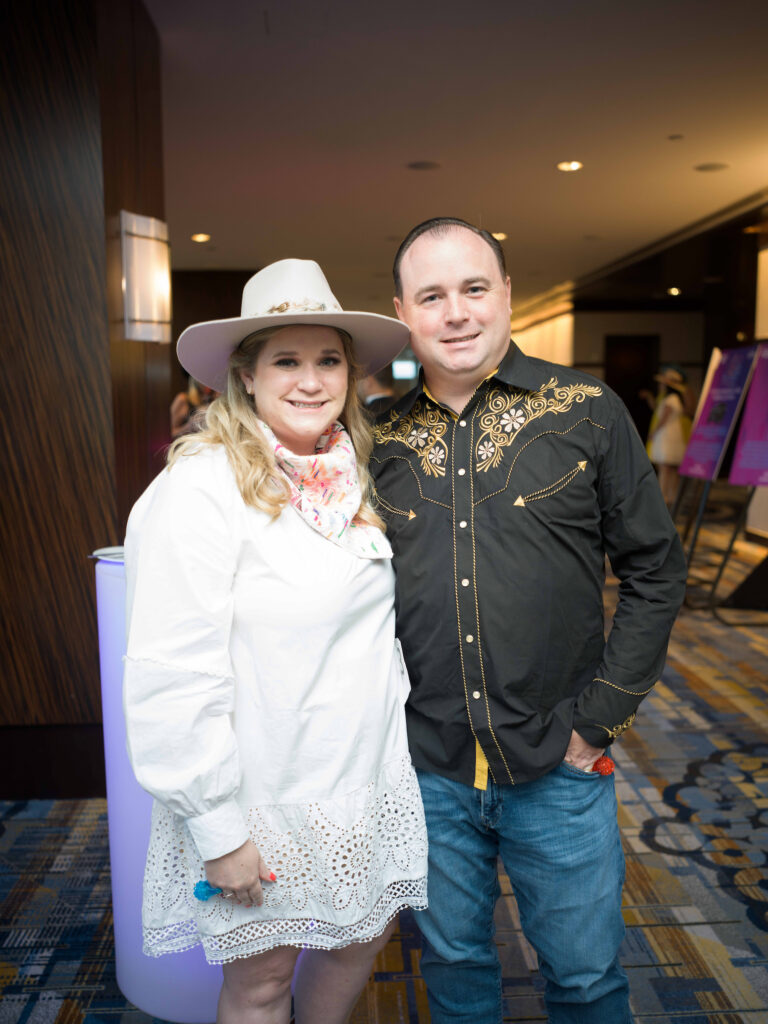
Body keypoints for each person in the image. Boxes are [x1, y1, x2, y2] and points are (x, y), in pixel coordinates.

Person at [370, 217, 688, 1024]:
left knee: (584, 981)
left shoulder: (586, 409)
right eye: (433, 295)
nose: (457, 313)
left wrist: (599, 722)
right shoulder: (375, 438)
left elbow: (655, 569)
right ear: (403, 310)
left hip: (561, 764)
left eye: (474, 288)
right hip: (427, 767)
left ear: (506, 294)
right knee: (455, 971)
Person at [123, 258, 428, 1024]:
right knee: (262, 982)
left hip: (359, 780)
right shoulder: (198, 489)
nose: (310, 380)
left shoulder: (353, 475)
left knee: (359, 941)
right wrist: (218, 831)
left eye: (327, 360)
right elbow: (170, 673)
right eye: (285, 360)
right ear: (246, 377)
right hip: (260, 792)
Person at [644, 365, 691, 505]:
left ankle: (663, 495)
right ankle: (671, 495)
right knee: (670, 468)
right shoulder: (674, 398)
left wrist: (653, 432)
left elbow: (664, 417)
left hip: (667, 434)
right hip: (671, 433)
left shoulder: (671, 399)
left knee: (665, 467)